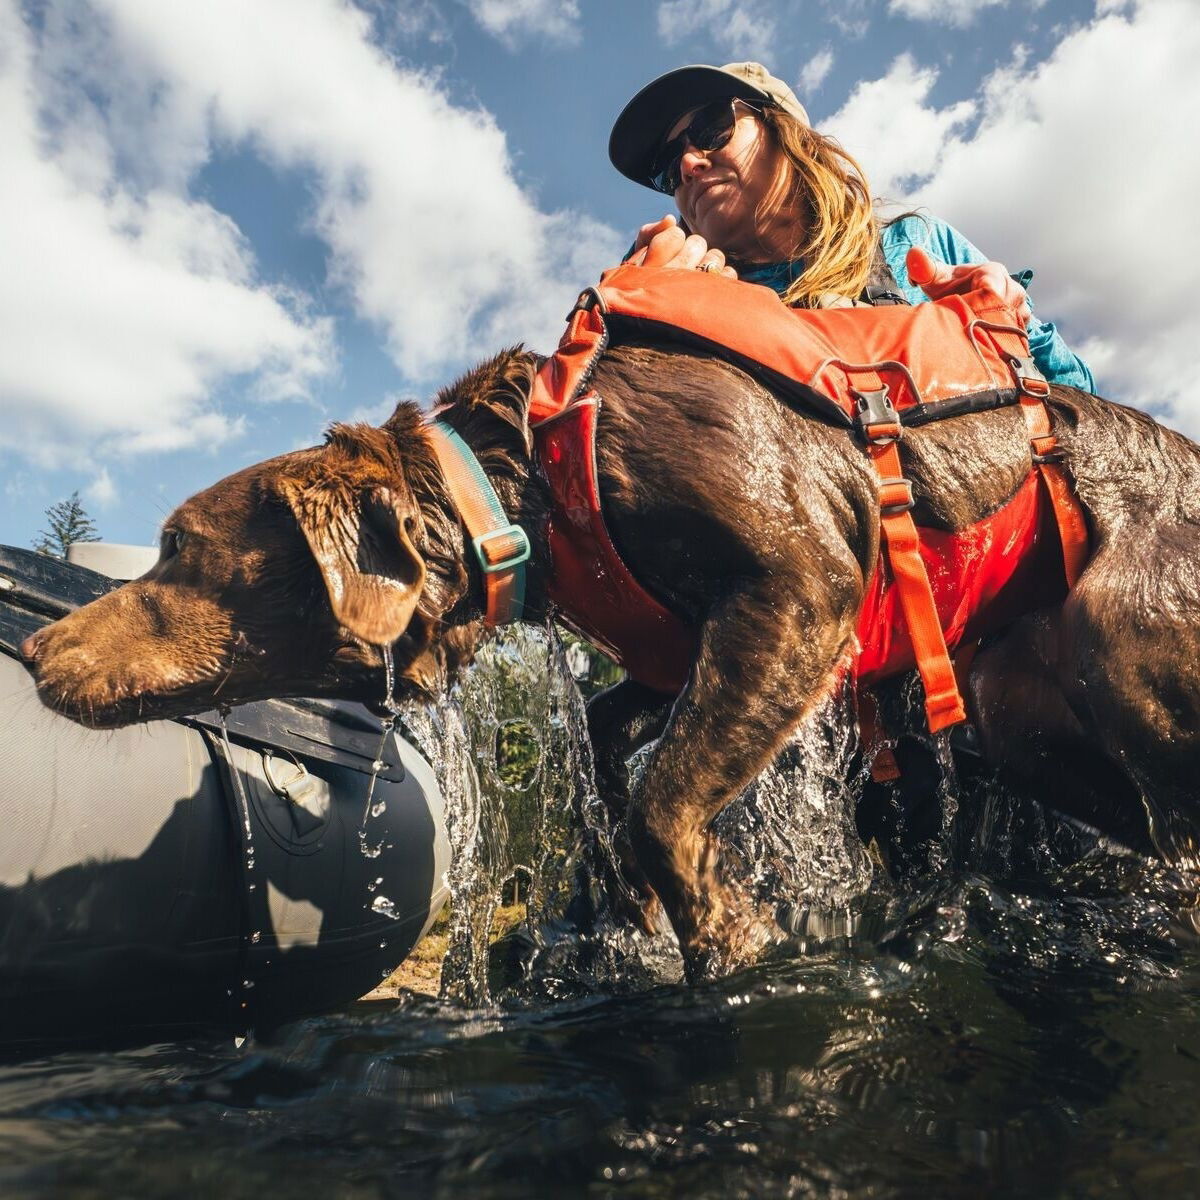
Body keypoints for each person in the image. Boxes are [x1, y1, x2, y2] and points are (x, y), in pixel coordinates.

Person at [607, 61, 1095, 391]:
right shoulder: (675, 300)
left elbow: (1080, 400)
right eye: (667, 167)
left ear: (788, 134)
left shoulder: (914, 244)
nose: (688, 163)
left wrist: (1016, 331)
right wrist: (635, 330)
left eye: (711, 129)